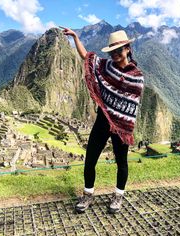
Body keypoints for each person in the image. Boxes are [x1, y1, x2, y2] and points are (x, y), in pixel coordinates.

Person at [60, 26, 144, 214]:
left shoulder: (136, 77)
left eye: (118, 50)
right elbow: (87, 57)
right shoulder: (106, 66)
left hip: (121, 127)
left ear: (128, 49)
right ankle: (88, 194)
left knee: (121, 163)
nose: (115, 54)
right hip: (102, 121)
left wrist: (124, 124)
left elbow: (131, 107)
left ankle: (118, 196)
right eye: (112, 51)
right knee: (90, 160)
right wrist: (75, 37)